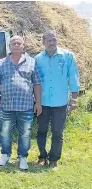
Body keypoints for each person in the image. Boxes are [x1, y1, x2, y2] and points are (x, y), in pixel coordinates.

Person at [0, 35, 42, 170]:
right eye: (13, 43)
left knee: (25, 133)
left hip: (25, 105)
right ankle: (5, 155)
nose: (16, 45)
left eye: (18, 43)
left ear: (23, 45)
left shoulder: (32, 62)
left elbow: (37, 83)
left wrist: (38, 103)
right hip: (6, 105)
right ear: (9, 46)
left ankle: (23, 157)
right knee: (5, 132)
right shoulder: (2, 63)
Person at [35, 30, 81, 170]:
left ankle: (54, 159)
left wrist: (73, 99)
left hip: (60, 101)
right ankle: (42, 156)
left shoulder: (67, 56)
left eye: (54, 39)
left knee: (57, 132)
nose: (52, 42)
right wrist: (35, 101)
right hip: (43, 102)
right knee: (41, 130)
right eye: (48, 40)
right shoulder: (38, 59)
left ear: (57, 40)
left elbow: (73, 77)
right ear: (43, 42)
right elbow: (35, 81)